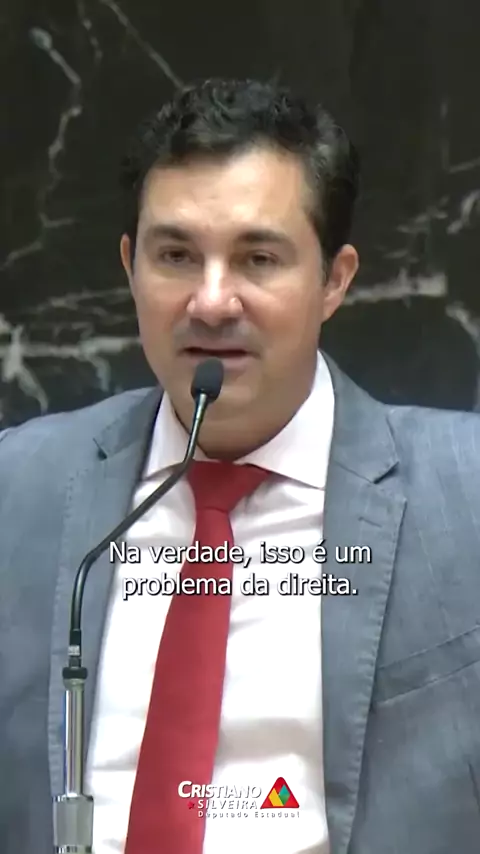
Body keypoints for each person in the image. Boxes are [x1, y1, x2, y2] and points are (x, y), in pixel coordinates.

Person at [1, 78, 480, 854]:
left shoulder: (464, 495)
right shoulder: (19, 486)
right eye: (176, 256)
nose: (212, 301)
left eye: (258, 258)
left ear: (334, 280)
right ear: (129, 266)